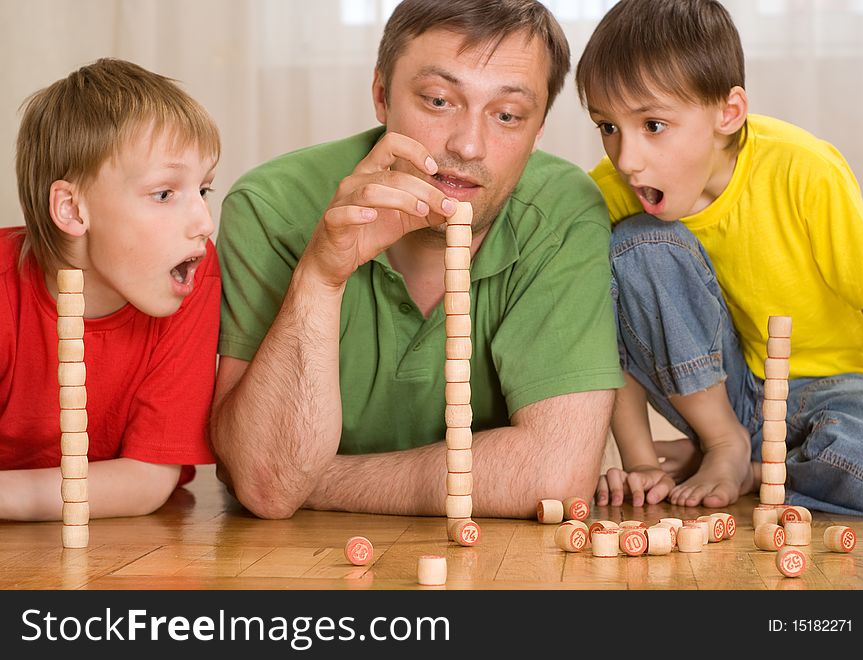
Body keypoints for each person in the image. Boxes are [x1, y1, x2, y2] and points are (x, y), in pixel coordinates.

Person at [211, 0, 622, 520]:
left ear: (538, 129)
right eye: (437, 100)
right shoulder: (270, 209)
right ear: (382, 95)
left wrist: (314, 479)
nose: (469, 145)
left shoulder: (564, 209)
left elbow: (554, 477)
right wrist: (320, 276)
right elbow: (266, 486)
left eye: (508, 116)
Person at [577, 0, 863, 514]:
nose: (626, 159)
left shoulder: (805, 170)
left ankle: (750, 469)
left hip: (836, 391)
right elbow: (600, 333)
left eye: (652, 125)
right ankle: (723, 443)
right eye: (608, 127)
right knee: (640, 243)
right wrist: (640, 460)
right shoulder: (606, 194)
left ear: (728, 112)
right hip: (719, 392)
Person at [0, 58, 221, 521]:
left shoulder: (192, 274)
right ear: (73, 210)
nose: (203, 223)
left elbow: (147, 481)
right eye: (164, 194)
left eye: (203, 190)